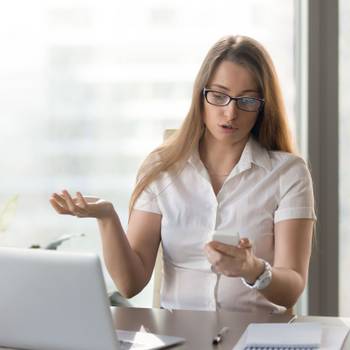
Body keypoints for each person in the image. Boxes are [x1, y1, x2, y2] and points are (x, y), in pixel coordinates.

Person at [50, 35, 316, 314]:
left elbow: (292, 287)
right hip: (179, 335)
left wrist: (253, 269)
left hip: (257, 334)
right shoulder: (161, 168)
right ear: (200, 96)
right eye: (218, 95)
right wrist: (106, 217)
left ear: (262, 105)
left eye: (247, 100)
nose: (231, 112)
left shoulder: (288, 173)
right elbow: (130, 283)